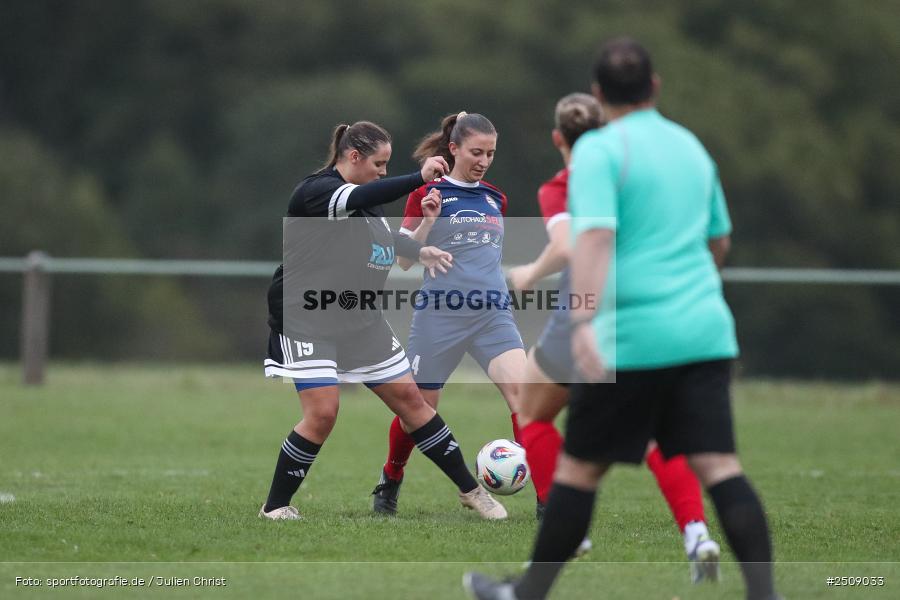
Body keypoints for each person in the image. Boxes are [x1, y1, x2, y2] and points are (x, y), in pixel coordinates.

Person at [465, 38, 780, 600]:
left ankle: (525, 593)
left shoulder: (600, 152)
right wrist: (690, 293)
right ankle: (764, 593)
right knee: (720, 467)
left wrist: (583, 321)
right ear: (655, 86)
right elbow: (719, 240)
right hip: (704, 332)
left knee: (578, 471)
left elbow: (592, 240)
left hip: (630, 335)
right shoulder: (690, 146)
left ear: (598, 92)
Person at [508, 92, 721, 581]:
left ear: (558, 138)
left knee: (532, 411)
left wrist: (528, 274)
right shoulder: (634, 174)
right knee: (653, 432)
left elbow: (567, 245)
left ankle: (567, 529)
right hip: (648, 310)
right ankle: (696, 532)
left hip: (587, 313)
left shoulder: (563, 184)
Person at [260, 120, 506, 521]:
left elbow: (383, 241)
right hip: (308, 317)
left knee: (413, 403)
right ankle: (274, 507)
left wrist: (420, 246)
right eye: (379, 163)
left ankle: (472, 491)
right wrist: (418, 178)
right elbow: (365, 194)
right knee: (323, 414)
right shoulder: (317, 192)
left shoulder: (365, 205)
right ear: (353, 157)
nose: (383, 172)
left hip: (360, 320)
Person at [370, 112, 527, 515]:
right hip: (440, 316)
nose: (484, 161)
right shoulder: (427, 192)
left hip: (493, 315)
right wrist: (428, 222)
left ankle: (546, 497)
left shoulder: (495, 197)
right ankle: (391, 477)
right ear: (454, 149)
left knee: (526, 398)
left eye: (490, 153)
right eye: (476, 152)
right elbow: (405, 261)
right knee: (418, 410)